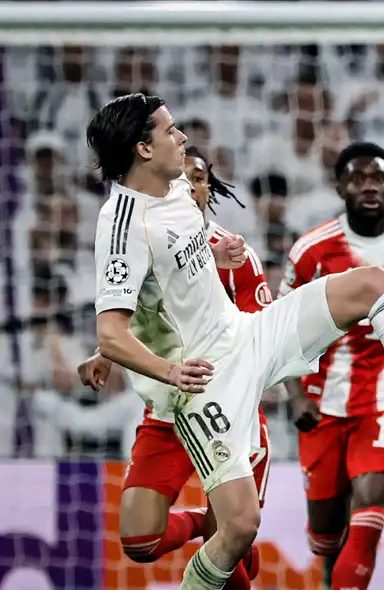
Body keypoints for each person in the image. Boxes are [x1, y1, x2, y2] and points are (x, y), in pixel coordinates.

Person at [86, 94, 384, 590]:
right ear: (143, 149)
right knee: (238, 528)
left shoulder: (176, 184)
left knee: (372, 283)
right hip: (200, 383)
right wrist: (165, 368)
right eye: (170, 131)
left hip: (246, 334)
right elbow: (112, 331)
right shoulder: (122, 226)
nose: (181, 138)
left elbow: (171, 267)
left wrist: (217, 250)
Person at [78, 147, 271, 590]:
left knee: (227, 542)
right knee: (140, 542)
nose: (191, 185)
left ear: (208, 187)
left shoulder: (236, 254)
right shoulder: (143, 238)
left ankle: (218, 527)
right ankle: (207, 521)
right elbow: (138, 314)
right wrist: (104, 353)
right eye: (183, 177)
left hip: (226, 417)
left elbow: (259, 337)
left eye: (200, 177)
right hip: (166, 415)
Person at [285, 143, 384, 590]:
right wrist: (295, 391)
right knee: (327, 529)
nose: (370, 187)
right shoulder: (312, 251)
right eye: (358, 179)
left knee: (380, 503)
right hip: (325, 401)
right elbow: (282, 327)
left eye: (378, 178)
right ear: (340, 187)